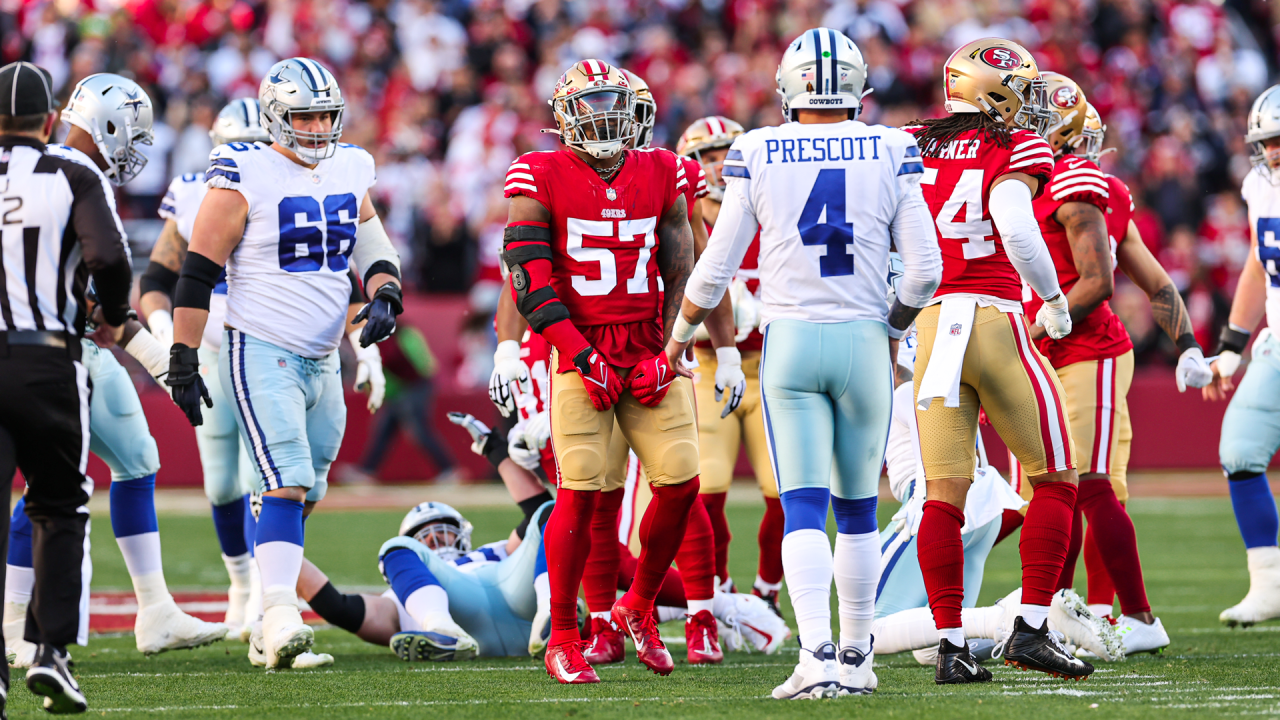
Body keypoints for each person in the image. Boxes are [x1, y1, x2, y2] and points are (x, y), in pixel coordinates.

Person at [670, 28, 942, 699]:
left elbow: (715, 268)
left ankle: (816, 656)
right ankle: (857, 658)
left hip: (790, 340)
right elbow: (925, 271)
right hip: (862, 339)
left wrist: (680, 336)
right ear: (858, 86)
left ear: (788, 86)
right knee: (855, 510)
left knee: (802, 510)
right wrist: (889, 328)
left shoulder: (757, 148)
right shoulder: (892, 145)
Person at [167, 57, 404, 670]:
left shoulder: (350, 165)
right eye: (305, 115)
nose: (319, 127)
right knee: (286, 480)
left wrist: (384, 288)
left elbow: (370, 234)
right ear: (276, 115)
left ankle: (266, 617)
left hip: (324, 355)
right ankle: (276, 615)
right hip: (261, 346)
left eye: (327, 114)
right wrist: (183, 355)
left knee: (304, 489)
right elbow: (197, 272)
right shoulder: (244, 170)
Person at [6, 74, 229, 670]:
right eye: (132, 129)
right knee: (51, 485)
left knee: (136, 459)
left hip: (64, 346)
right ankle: (15, 624)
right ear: (105, 124)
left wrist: (163, 365)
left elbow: (104, 310)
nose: (138, 144)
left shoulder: (37, 171)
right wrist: (165, 364)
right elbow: (105, 302)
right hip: (56, 354)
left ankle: (154, 609)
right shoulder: (74, 178)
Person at [500, 59, 703, 684]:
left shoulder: (666, 170)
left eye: (615, 107)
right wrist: (583, 356)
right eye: (591, 109)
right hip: (579, 348)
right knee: (581, 491)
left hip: (646, 347)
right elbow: (529, 280)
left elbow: (681, 266)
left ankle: (637, 606)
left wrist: (668, 351)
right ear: (564, 119)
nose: (607, 121)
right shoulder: (537, 172)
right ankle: (566, 633)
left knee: (681, 482)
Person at [903, 38, 1091, 683]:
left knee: (943, 498)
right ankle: (1031, 629)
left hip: (930, 327)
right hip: (996, 319)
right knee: (1059, 477)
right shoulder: (1018, 144)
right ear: (995, 88)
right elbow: (1014, 225)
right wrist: (1055, 300)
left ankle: (951, 646)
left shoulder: (909, 142)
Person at [1019, 82, 1209, 655]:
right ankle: (1058, 609)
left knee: (1088, 485)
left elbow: (1117, 280)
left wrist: (1190, 345)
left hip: (1088, 351)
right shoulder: (1018, 182)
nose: (1018, 129)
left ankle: (1137, 617)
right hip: (1041, 353)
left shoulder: (1076, 180)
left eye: (1030, 119)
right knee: (1048, 492)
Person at [0, 60, 137, 714]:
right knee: (59, 507)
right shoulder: (73, 173)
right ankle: (51, 651)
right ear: (49, 120)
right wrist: (113, 315)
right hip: (46, 359)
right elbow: (108, 257)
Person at [676, 114, 786, 614]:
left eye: (727, 152)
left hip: (772, 364)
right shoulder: (681, 215)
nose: (720, 165)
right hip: (704, 367)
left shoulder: (774, 204)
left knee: (784, 489)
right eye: (708, 155)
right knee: (708, 488)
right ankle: (717, 587)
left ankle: (767, 589)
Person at [1200, 83, 1280, 628]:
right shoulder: (1259, 184)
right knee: (1241, 449)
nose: (1272, 152)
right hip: (1277, 342)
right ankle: (1269, 585)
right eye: (1267, 142)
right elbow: (1258, 260)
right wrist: (1232, 343)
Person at [354, 324, 458, 484]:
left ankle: (449, 470)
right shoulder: (376, 340)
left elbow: (423, 365)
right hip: (397, 392)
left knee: (419, 430)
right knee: (384, 430)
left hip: (414, 386)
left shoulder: (403, 334)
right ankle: (367, 470)